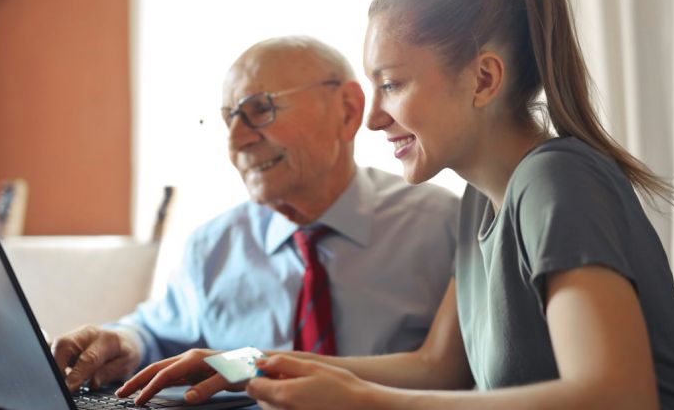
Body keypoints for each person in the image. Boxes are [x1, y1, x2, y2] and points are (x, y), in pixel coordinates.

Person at [115, 0, 674, 409]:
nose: (372, 118)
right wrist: (243, 364)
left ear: (482, 80)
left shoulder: (557, 182)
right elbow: (437, 367)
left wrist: (363, 402)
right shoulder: (481, 201)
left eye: (392, 84)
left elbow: (616, 398)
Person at [51, 36, 459, 397]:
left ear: (348, 110)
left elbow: (458, 374)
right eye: (229, 118)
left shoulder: (444, 226)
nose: (236, 141)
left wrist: (247, 365)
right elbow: (157, 333)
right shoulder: (213, 244)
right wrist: (123, 342)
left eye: (259, 109)